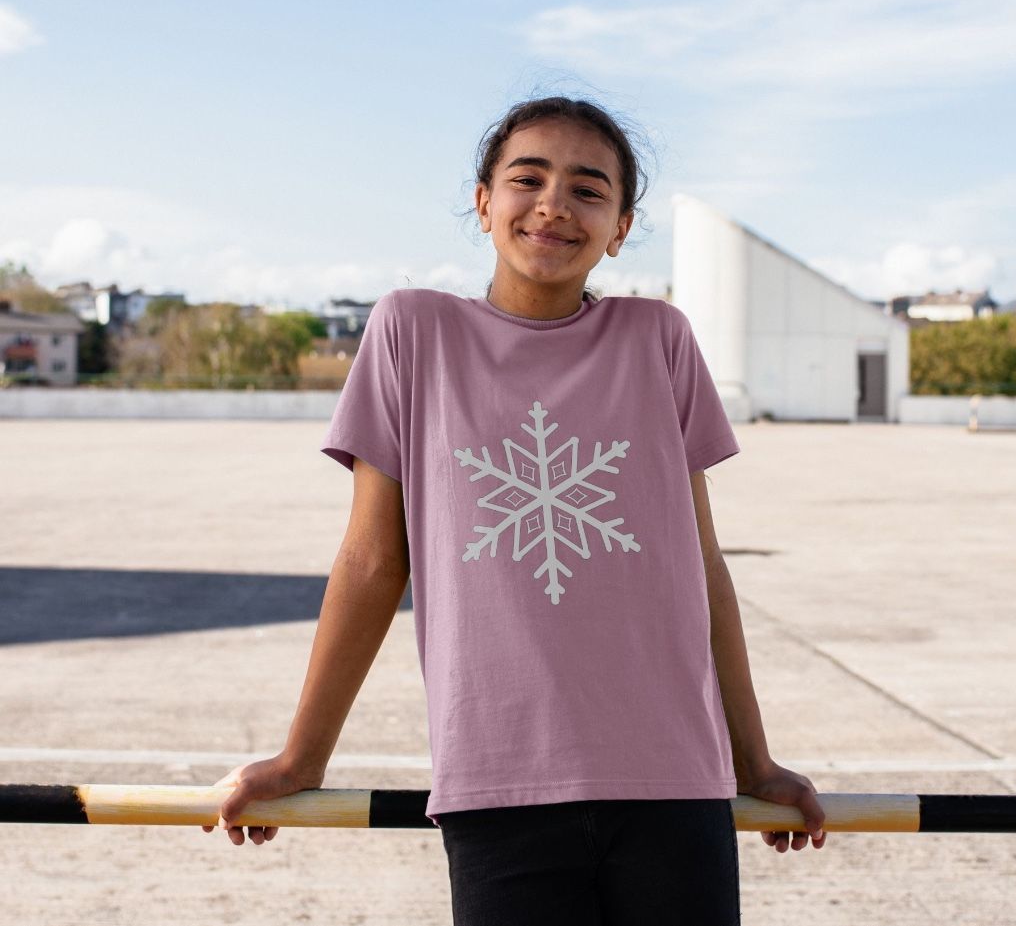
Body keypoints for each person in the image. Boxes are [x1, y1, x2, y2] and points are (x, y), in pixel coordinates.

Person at [204, 96, 827, 924]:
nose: (553, 205)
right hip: (501, 781)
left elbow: (700, 566)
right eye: (527, 178)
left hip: (675, 779)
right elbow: (370, 560)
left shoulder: (660, 338)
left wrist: (755, 760)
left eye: (588, 189)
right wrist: (301, 756)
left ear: (620, 226)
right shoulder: (411, 330)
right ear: (483, 201)